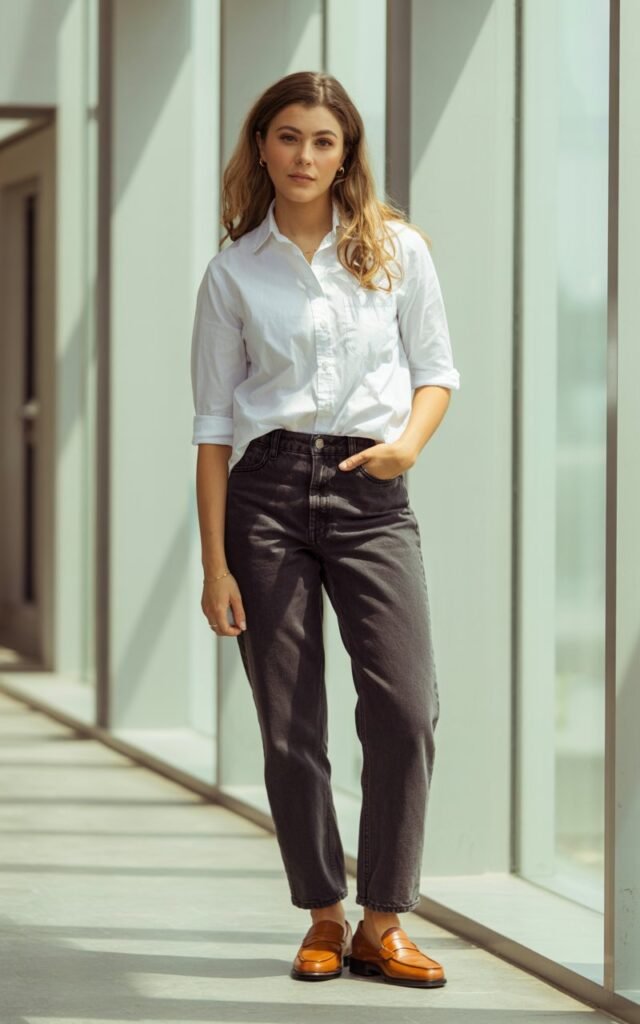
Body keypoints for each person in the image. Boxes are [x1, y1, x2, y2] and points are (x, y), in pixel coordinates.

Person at [191, 70, 460, 988]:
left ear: (347, 154)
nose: (304, 157)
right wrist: (212, 565)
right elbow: (213, 426)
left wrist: (406, 450)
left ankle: (384, 920)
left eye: (324, 141)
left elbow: (437, 370)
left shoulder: (396, 251)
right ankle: (323, 913)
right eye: (288, 137)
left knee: (406, 705)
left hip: (370, 490)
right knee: (289, 722)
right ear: (260, 145)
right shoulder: (234, 271)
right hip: (265, 497)